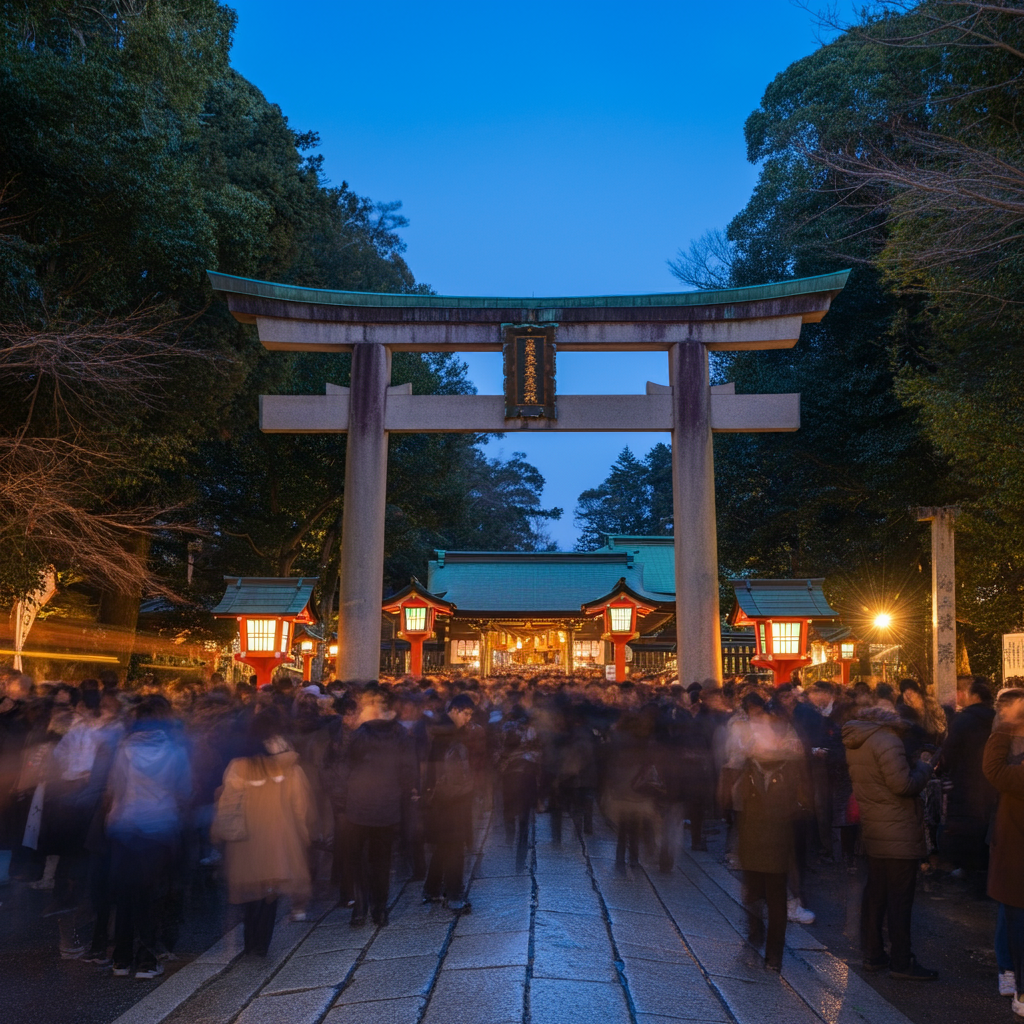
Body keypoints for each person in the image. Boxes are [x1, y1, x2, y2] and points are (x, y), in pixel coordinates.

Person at [842, 700, 938, 980]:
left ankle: (873, 954)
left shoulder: (858, 740)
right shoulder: (887, 740)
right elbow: (902, 785)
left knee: (876, 894)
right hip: (898, 829)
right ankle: (901, 961)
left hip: (874, 826)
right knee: (900, 899)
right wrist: (924, 767)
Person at [105, 695, 191, 978]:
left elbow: (115, 787)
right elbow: (184, 789)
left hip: (125, 827)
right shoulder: (176, 750)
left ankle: (120, 958)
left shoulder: (124, 749)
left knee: (126, 893)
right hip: (160, 826)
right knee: (152, 895)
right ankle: (147, 959)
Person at [213, 709, 312, 955]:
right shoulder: (289, 767)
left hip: (246, 839)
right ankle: (261, 944)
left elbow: (228, 802)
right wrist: (303, 834)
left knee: (250, 894)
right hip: (279, 837)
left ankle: (250, 943)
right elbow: (300, 806)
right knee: (270, 892)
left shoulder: (239, 766)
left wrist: (220, 833)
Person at [735, 698, 807, 972]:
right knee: (771, 894)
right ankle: (771, 954)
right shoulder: (775, 762)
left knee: (761, 892)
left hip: (763, 833)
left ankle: (764, 944)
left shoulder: (756, 762)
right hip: (770, 834)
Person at [341, 687, 417, 926]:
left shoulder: (359, 735)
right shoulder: (400, 735)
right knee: (381, 861)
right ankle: (380, 909)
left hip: (358, 806)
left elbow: (346, 768)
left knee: (357, 859)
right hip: (388, 807)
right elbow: (408, 770)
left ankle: (360, 907)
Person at [982, 687, 1024, 1014]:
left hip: (1013, 839)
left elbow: (997, 773)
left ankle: (1014, 977)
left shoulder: (1003, 740)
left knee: (1014, 910)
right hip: (1009, 836)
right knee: (1010, 909)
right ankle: (1007, 969)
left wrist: (1004, 729)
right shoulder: (1005, 741)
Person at [422, 693, 476, 909]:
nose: (468, 719)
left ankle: (432, 888)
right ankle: (454, 895)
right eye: (466, 713)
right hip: (451, 798)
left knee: (445, 845)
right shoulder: (447, 735)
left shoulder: (444, 731)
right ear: (454, 710)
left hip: (444, 797)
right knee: (454, 847)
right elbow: (448, 771)